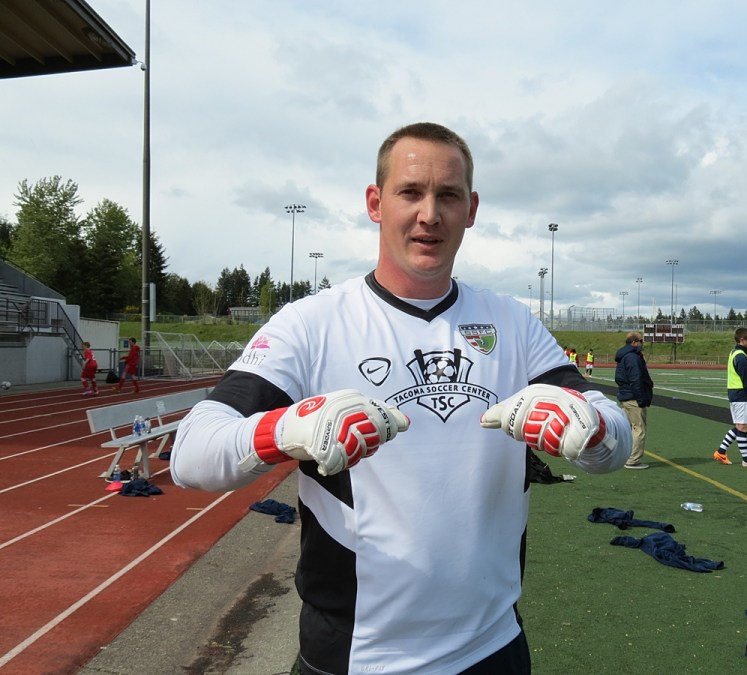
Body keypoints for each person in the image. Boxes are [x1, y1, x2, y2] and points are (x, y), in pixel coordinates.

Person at [170, 122, 631, 674]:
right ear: (375, 202)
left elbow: (614, 443)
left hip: (494, 648)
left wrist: (592, 427)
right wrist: (287, 430)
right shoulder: (312, 323)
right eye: (411, 192)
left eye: (449, 195)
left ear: (472, 208)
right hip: (357, 656)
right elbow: (191, 455)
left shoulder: (512, 322)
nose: (429, 214)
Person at [713, 327, 747, 468]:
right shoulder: (741, 357)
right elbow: (746, 381)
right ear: (742, 339)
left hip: (735, 393)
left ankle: (721, 452)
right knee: (743, 427)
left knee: (741, 426)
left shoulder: (735, 352)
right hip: (741, 394)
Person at [615, 332, 654, 470]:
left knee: (628, 428)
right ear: (634, 342)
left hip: (626, 396)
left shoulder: (624, 356)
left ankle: (624, 455)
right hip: (633, 397)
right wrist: (641, 398)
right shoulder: (632, 357)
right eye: (641, 341)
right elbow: (635, 379)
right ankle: (633, 460)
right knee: (639, 429)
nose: (642, 343)